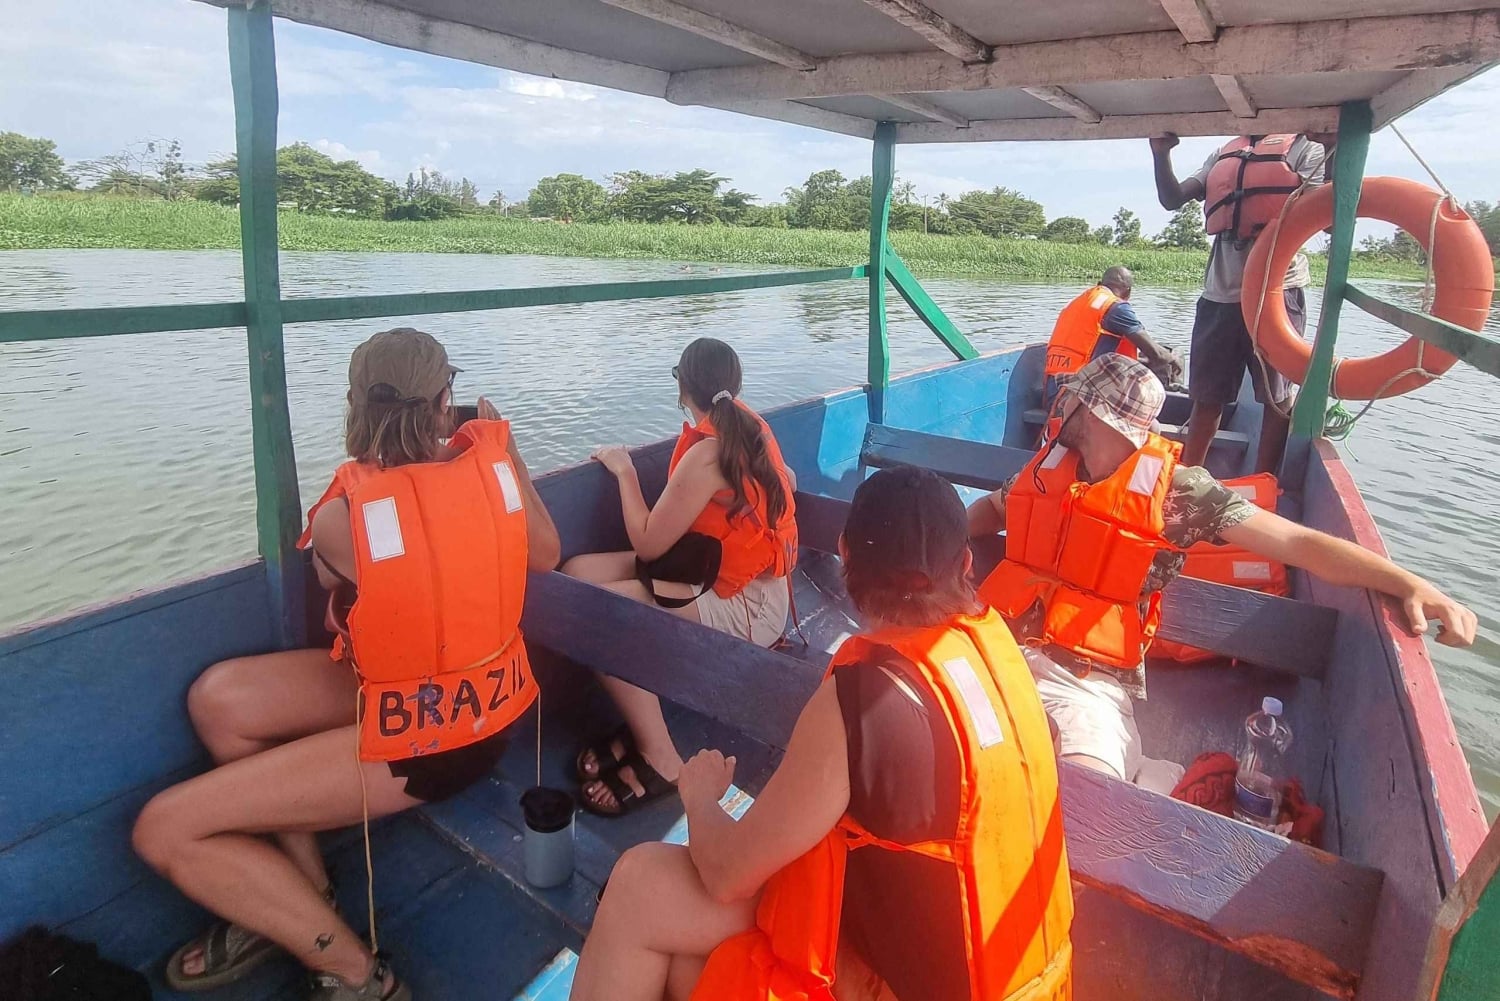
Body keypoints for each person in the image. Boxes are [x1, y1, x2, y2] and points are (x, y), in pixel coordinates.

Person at [132, 328, 560, 1001]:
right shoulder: (492, 472)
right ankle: (299, 896)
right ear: (447, 402)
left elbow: (366, 565)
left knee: (164, 828)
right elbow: (546, 551)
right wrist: (504, 448)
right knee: (220, 699)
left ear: (354, 404)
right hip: (441, 699)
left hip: (434, 743)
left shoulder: (342, 514)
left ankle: (360, 975)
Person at [569, 467, 1073, 1001]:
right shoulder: (1005, 662)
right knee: (677, 962)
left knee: (637, 885)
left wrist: (698, 796)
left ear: (844, 557)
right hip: (1015, 981)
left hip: (884, 978)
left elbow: (726, 875)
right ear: (968, 564)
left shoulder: (866, 702)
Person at [968, 353, 1477, 788]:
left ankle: (1146, 771)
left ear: (1090, 408)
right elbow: (993, 511)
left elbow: (1298, 542)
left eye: (1070, 398)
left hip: (1087, 679)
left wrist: (1409, 583)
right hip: (998, 645)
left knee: (1087, 798)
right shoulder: (1049, 465)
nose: (1060, 407)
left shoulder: (1179, 493)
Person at [562, 337, 798, 817]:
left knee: (593, 619)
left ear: (681, 387)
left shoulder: (707, 454)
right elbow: (787, 479)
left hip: (749, 608)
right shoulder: (750, 428)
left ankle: (662, 758)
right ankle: (640, 708)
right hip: (723, 576)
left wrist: (626, 471)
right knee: (575, 576)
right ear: (735, 384)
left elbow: (649, 543)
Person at [1151, 132, 1328, 474]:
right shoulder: (1224, 153)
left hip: (1277, 291)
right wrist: (1160, 153)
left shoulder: (1310, 148)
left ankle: (1263, 482)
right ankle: (1189, 480)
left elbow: (1326, 213)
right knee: (1207, 397)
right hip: (1221, 293)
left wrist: (1334, 147)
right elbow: (1172, 198)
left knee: (1276, 397)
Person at [1043, 265, 1182, 406]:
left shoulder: (1078, 302)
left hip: (1053, 394)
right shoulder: (1116, 307)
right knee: (1153, 424)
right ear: (1128, 292)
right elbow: (1157, 355)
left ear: (1099, 284)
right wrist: (1173, 359)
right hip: (1077, 397)